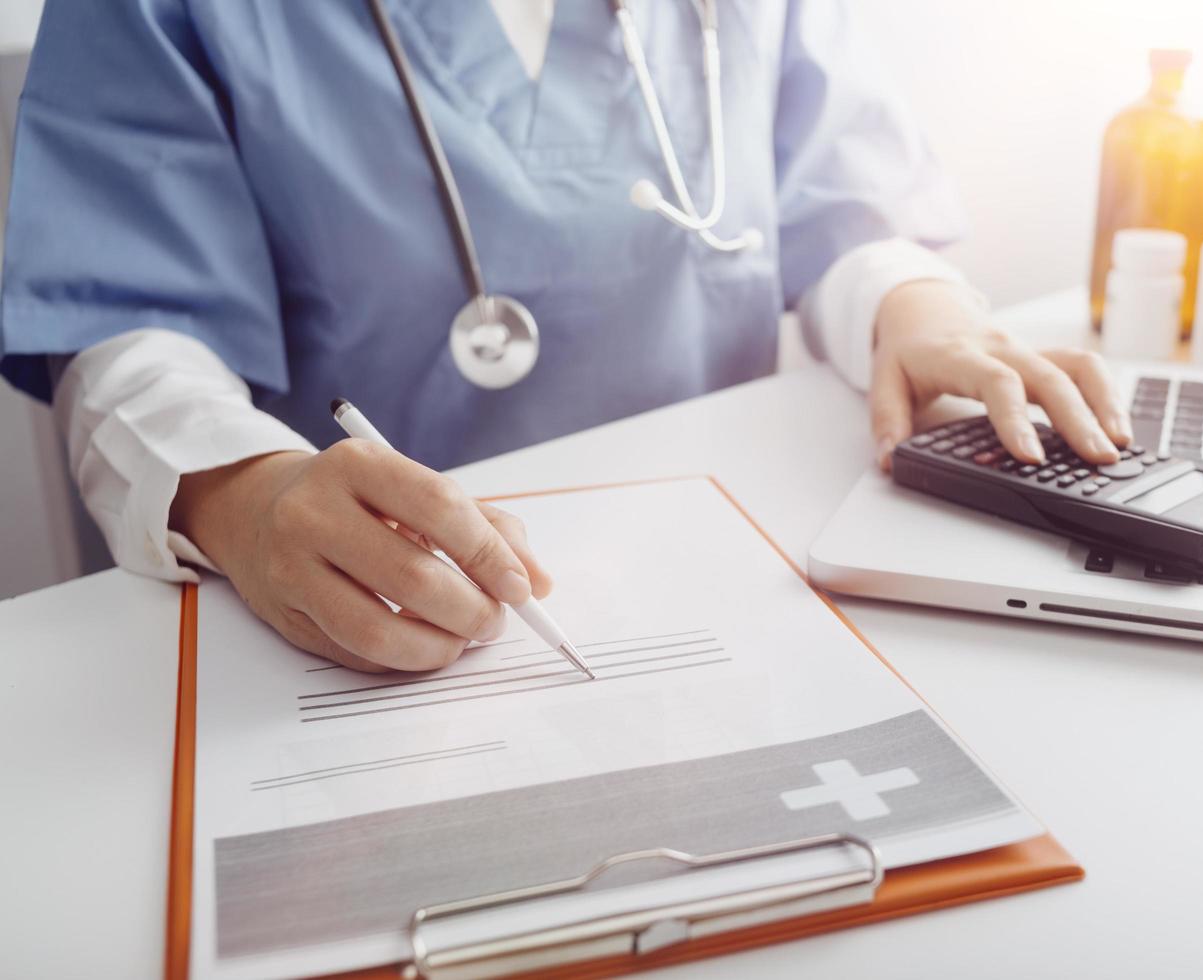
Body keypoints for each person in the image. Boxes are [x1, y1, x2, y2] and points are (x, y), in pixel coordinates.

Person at [0, 0, 1131, 673]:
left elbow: (838, 194)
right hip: (371, 615)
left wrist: (912, 303)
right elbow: (126, 316)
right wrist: (245, 494)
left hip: (738, 584)